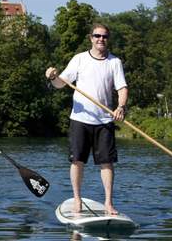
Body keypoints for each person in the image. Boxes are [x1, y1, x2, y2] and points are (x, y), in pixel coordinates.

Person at [45, 23, 128, 215]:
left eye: (104, 37)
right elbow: (60, 84)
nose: (101, 39)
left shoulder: (114, 62)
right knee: (77, 161)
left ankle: (108, 203)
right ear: (91, 38)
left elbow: (122, 88)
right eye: (97, 36)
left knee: (107, 163)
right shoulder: (79, 59)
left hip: (104, 120)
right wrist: (51, 77)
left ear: (108, 39)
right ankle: (77, 199)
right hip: (80, 120)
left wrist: (121, 107)